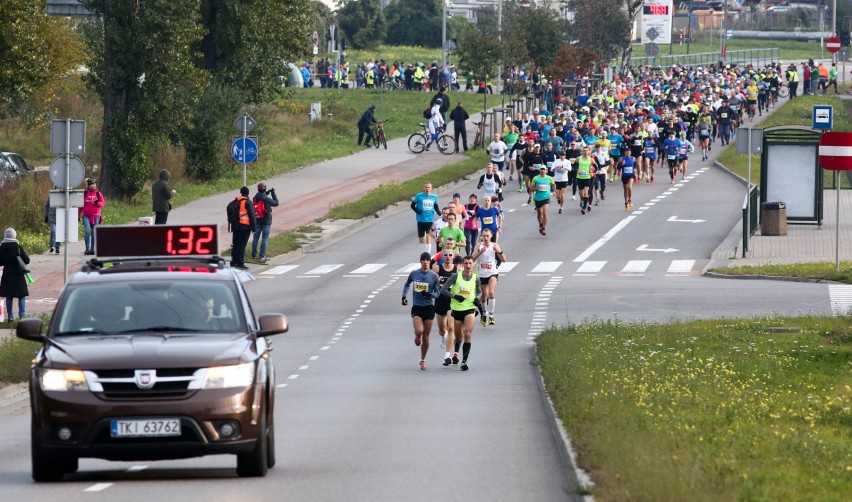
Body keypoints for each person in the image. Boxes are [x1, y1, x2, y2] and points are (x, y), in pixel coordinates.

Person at [439, 255, 482, 371]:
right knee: (459, 338)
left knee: (468, 333)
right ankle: (456, 352)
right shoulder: (455, 276)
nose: (468, 266)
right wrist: (455, 296)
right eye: (466, 263)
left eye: (470, 263)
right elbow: (443, 290)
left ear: (473, 265)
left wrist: (477, 298)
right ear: (462, 265)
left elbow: (479, 292)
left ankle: (464, 361)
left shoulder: (476, 278)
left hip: (470, 309)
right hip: (457, 310)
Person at [402, 252, 441, 370]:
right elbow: (407, 284)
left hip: (429, 307)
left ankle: (422, 359)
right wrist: (404, 296)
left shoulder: (434, 276)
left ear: (430, 262)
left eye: (427, 261)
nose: (425, 262)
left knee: (426, 337)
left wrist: (430, 294)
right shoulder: (414, 274)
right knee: (419, 330)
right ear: (420, 262)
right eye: (423, 260)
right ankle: (417, 335)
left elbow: (438, 293)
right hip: (417, 307)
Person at [470, 228, 505, 327]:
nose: (485, 238)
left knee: (491, 292)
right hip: (482, 274)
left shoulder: (495, 245)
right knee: (484, 295)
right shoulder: (478, 245)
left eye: (487, 236)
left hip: (492, 272)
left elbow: (504, 259)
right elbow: (472, 259)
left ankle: (491, 315)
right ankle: (484, 313)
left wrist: (499, 252)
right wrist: (480, 252)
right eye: (484, 236)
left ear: (491, 236)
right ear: (481, 236)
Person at [0, 228, 29, 321]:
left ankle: (10, 316)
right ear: (14, 235)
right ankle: (22, 315)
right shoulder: (18, 247)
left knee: (9, 296)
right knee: (21, 295)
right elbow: (27, 260)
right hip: (18, 275)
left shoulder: (2, 248)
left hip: (7, 275)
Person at [230, 186, 256, 270]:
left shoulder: (235, 200)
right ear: (247, 193)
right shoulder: (247, 202)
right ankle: (240, 263)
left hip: (235, 227)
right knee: (242, 245)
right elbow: (252, 216)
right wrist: (254, 228)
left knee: (235, 245)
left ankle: (233, 262)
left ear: (241, 192)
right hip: (245, 227)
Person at [251, 182, 279, 262]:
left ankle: (253, 255)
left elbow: (261, 196)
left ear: (258, 189)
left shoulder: (254, 198)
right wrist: (273, 193)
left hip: (257, 220)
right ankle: (262, 256)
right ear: (265, 189)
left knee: (255, 238)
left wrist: (266, 193)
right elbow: (276, 203)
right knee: (264, 238)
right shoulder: (267, 199)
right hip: (266, 221)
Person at [411, 182, 440, 252]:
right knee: (421, 240)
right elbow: (412, 205)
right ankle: (422, 235)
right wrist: (417, 211)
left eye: (429, 187)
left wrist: (438, 211)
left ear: (431, 188)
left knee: (428, 236)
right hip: (420, 219)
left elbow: (435, 205)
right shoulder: (419, 196)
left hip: (429, 219)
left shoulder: (434, 196)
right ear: (424, 188)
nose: (427, 189)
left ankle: (427, 254)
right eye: (426, 187)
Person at [80, 178, 104, 255]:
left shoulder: (98, 193)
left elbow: (102, 203)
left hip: (96, 215)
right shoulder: (85, 193)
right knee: (87, 231)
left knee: (94, 232)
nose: (93, 185)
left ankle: (93, 249)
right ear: (89, 185)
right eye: (91, 184)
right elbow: (81, 205)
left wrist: (97, 203)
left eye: (94, 184)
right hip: (86, 215)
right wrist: (78, 215)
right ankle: (87, 248)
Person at [531, 165, 556, 235]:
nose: (542, 171)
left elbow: (553, 185)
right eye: (541, 169)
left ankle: (543, 228)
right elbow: (531, 188)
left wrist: (554, 191)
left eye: (543, 169)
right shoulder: (535, 178)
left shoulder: (549, 178)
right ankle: (541, 224)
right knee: (539, 213)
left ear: (546, 171)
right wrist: (536, 188)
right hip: (538, 198)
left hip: (546, 197)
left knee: (545, 213)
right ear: (539, 171)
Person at [43, 190, 60, 254]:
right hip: (52, 217)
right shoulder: (51, 196)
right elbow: (46, 206)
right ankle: (52, 246)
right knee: (53, 231)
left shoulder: (63, 196)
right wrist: (46, 216)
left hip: (60, 217)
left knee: (59, 233)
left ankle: (57, 247)